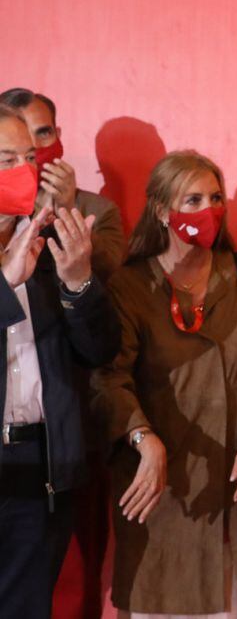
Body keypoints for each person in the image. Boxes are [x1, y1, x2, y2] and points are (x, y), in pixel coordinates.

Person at [90, 151, 237, 618]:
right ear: (162, 210)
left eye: (216, 197)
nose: (209, 210)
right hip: (158, 492)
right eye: (194, 198)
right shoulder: (129, 284)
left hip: (234, 484)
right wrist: (144, 441)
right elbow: (109, 378)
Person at [0, 105, 120, 619]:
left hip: (38, 469)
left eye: (30, 157)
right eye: (8, 160)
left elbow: (97, 350)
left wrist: (77, 281)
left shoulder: (46, 239)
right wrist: (5, 283)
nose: (25, 171)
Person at [0, 88, 126, 278]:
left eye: (43, 133)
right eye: (22, 133)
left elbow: (110, 274)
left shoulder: (100, 210)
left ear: (57, 133)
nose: (34, 144)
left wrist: (66, 212)